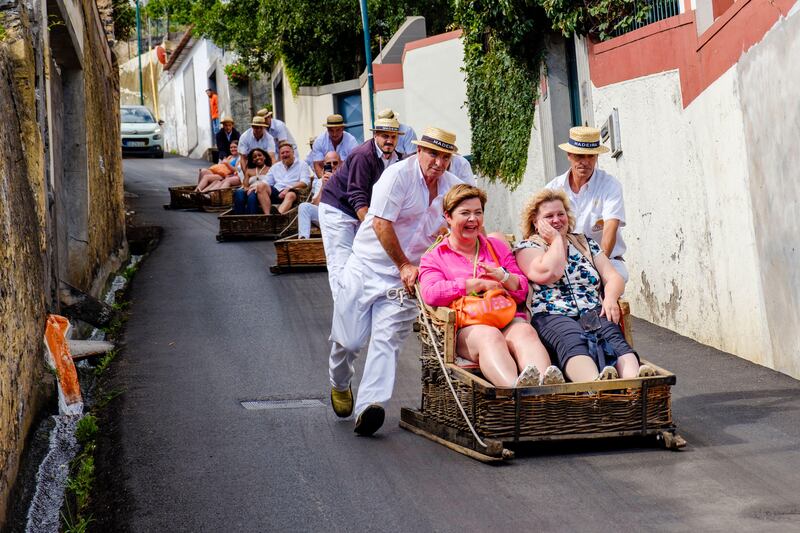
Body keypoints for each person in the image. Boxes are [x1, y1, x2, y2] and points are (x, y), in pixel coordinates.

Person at [327, 126, 464, 437]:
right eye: (433, 154)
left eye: (445, 156)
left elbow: (462, 223)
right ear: (419, 150)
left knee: (386, 342)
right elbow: (380, 223)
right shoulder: (397, 176)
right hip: (367, 266)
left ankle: (370, 406)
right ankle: (339, 381)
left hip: (407, 278)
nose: (439, 162)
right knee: (347, 341)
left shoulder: (454, 187)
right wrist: (402, 263)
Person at [418, 185, 563, 387]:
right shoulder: (435, 257)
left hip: (503, 316)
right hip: (467, 326)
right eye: (465, 213)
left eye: (478, 213)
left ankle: (542, 387)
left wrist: (503, 278)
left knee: (525, 332)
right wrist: (474, 284)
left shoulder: (496, 247)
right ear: (448, 217)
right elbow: (431, 293)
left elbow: (521, 289)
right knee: (489, 335)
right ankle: (515, 390)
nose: (473, 219)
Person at [514, 188, 655, 382]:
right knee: (572, 340)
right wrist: (556, 240)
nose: (557, 220)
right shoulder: (528, 248)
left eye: (560, 214)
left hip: (591, 310)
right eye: (549, 216)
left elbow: (613, 277)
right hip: (551, 315)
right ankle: (595, 386)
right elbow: (548, 272)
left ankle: (635, 384)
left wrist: (611, 298)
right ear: (535, 223)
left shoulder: (584, 243)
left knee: (614, 338)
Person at [318, 116, 404, 293]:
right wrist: (374, 227)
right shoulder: (363, 155)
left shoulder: (398, 159)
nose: (389, 140)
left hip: (361, 211)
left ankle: (357, 306)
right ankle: (342, 313)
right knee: (340, 263)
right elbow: (356, 194)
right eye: (384, 136)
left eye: (393, 136)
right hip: (338, 209)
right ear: (376, 136)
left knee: (360, 262)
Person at [546, 126, 628, 282]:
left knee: (614, 279)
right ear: (569, 155)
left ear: (596, 156)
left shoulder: (610, 185)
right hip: (563, 261)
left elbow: (610, 228)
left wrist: (596, 266)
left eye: (590, 156)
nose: (585, 161)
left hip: (606, 259)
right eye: (579, 156)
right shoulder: (552, 189)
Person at [248, 141, 311, 214]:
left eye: (287, 152)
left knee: (290, 195)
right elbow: (266, 182)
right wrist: (256, 186)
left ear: (293, 152)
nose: (285, 154)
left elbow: (304, 182)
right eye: (282, 153)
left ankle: (277, 216)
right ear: (280, 155)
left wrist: (289, 188)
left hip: (293, 191)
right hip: (277, 192)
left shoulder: (302, 164)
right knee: (261, 186)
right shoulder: (275, 167)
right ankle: (268, 216)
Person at [298, 151, 341, 239]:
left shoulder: (346, 178)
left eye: (335, 163)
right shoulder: (321, 181)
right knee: (304, 207)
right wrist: (323, 186)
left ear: (340, 164)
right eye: (329, 164)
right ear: (324, 165)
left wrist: (335, 182)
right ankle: (303, 239)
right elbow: (317, 204)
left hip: (340, 217)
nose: (332, 166)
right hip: (325, 216)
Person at [232, 148, 272, 214]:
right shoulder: (249, 171)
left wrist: (254, 189)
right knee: (239, 192)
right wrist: (247, 189)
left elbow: (271, 183)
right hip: (249, 189)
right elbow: (245, 185)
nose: (257, 158)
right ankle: (239, 217)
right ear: (253, 160)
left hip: (262, 191)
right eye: (254, 157)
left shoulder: (270, 169)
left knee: (252, 195)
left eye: (259, 155)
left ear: (264, 157)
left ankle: (251, 218)